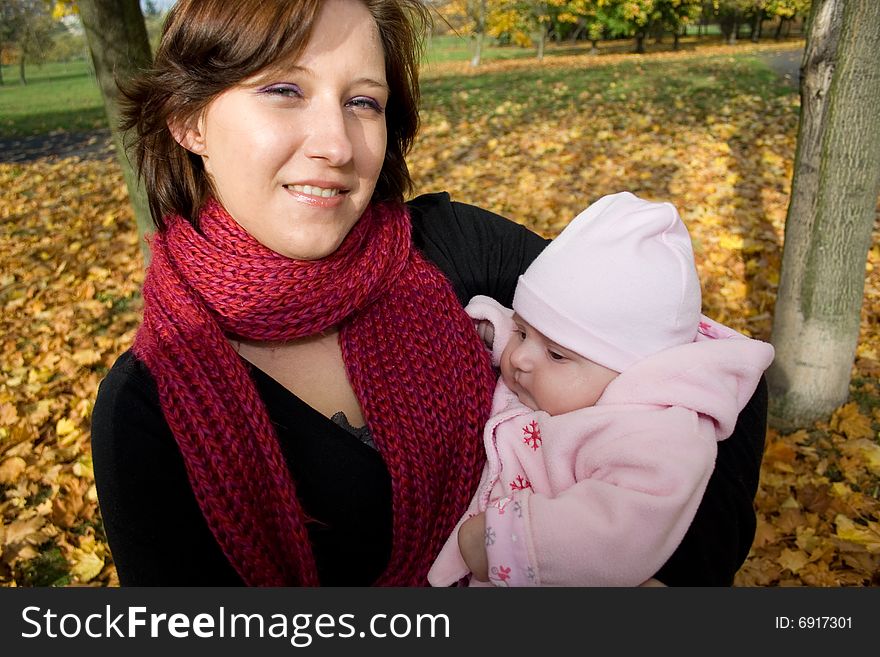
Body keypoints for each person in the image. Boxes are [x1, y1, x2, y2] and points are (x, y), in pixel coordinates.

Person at [90, 0, 770, 587]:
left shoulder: (457, 250)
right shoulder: (149, 409)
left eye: (363, 102)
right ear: (190, 119)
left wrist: (673, 571)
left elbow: (703, 365)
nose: (336, 143)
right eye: (284, 90)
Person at [427, 192, 775, 587]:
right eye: (523, 332)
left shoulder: (651, 436)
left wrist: (506, 543)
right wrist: (494, 329)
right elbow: (546, 335)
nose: (521, 358)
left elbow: (626, 525)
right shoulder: (579, 373)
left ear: (632, 371)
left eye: (555, 355)